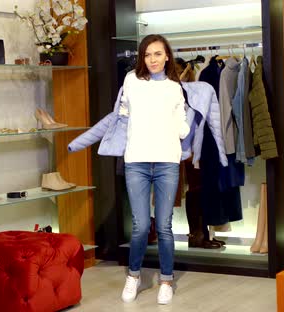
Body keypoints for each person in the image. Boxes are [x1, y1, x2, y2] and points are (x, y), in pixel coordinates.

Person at [119, 34, 189, 305]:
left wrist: (178, 130)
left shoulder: (174, 87)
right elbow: (124, 112)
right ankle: (133, 276)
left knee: (164, 225)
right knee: (139, 226)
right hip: (136, 160)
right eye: (147, 55)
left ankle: (166, 280)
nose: (152, 60)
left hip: (166, 162)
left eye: (157, 54)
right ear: (142, 57)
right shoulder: (131, 80)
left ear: (167, 56)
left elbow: (182, 121)